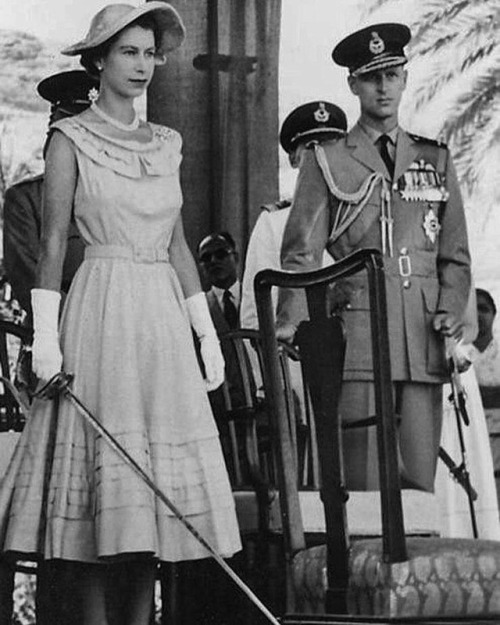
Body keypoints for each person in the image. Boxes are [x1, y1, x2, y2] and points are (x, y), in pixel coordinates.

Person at [0, 4, 241, 625]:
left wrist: (205, 336)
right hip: (101, 313)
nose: (142, 65)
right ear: (99, 60)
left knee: (151, 512)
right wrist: (45, 340)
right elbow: (53, 244)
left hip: (160, 320)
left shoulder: (167, 144)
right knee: (99, 509)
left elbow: (179, 244)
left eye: (150, 53)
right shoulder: (68, 139)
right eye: (128, 52)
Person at [277, 23, 471, 493]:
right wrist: (292, 325)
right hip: (358, 337)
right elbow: (301, 252)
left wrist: (449, 315)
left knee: (420, 484)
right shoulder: (327, 158)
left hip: (423, 336)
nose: (383, 87)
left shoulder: (435, 158)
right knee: (363, 490)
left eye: (391, 74)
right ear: (353, 85)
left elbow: (455, 255)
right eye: (370, 77)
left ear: (405, 78)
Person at [1, 69, 98, 625]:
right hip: (51, 356)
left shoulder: (120, 192)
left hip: (116, 349)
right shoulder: (26, 199)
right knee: (57, 501)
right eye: (67, 131)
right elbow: (26, 270)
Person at [240, 100, 347, 330]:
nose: (320, 156)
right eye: (310, 148)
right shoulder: (274, 222)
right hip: (297, 354)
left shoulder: (360, 210)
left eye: (330, 146)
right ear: (294, 159)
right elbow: (255, 309)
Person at [3, 70, 98, 323]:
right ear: (52, 137)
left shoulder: (121, 192)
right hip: (57, 334)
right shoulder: (26, 199)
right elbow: (30, 280)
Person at [435, 287, 500, 539]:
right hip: (473, 427)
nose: (480, 316)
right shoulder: (462, 355)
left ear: (494, 314)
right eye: (476, 309)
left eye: (485, 309)